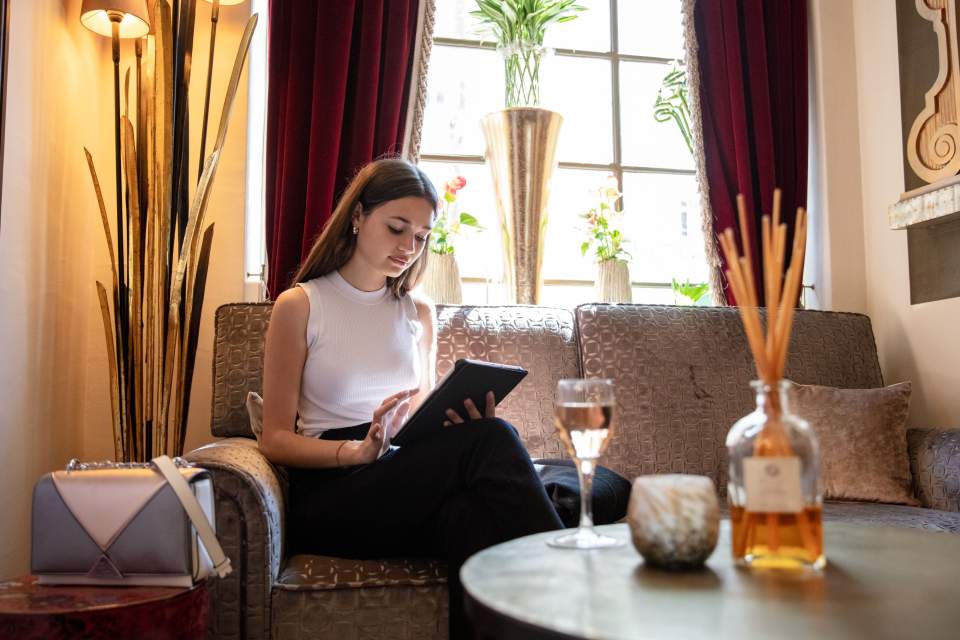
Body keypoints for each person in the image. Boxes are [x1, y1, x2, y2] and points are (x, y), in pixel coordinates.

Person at [259, 157, 563, 639]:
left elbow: (417, 413)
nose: (408, 247)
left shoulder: (418, 311)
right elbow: (274, 439)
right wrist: (353, 452)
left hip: (399, 469)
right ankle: (577, 592)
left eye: (420, 237)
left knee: (472, 515)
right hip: (331, 491)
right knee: (495, 439)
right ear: (358, 216)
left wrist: (454, 422)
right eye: (396, 228)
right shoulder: (300, 305)